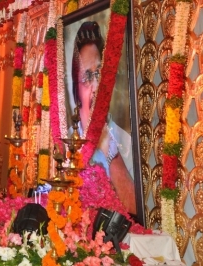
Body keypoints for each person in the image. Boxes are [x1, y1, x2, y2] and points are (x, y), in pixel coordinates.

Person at [67, 21, 136, 214]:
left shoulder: (125, 142)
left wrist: (108, 148)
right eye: (87, 76)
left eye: (98, 73)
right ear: (75, 87)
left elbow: (136, 210)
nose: (96, 85)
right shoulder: (64, 142)